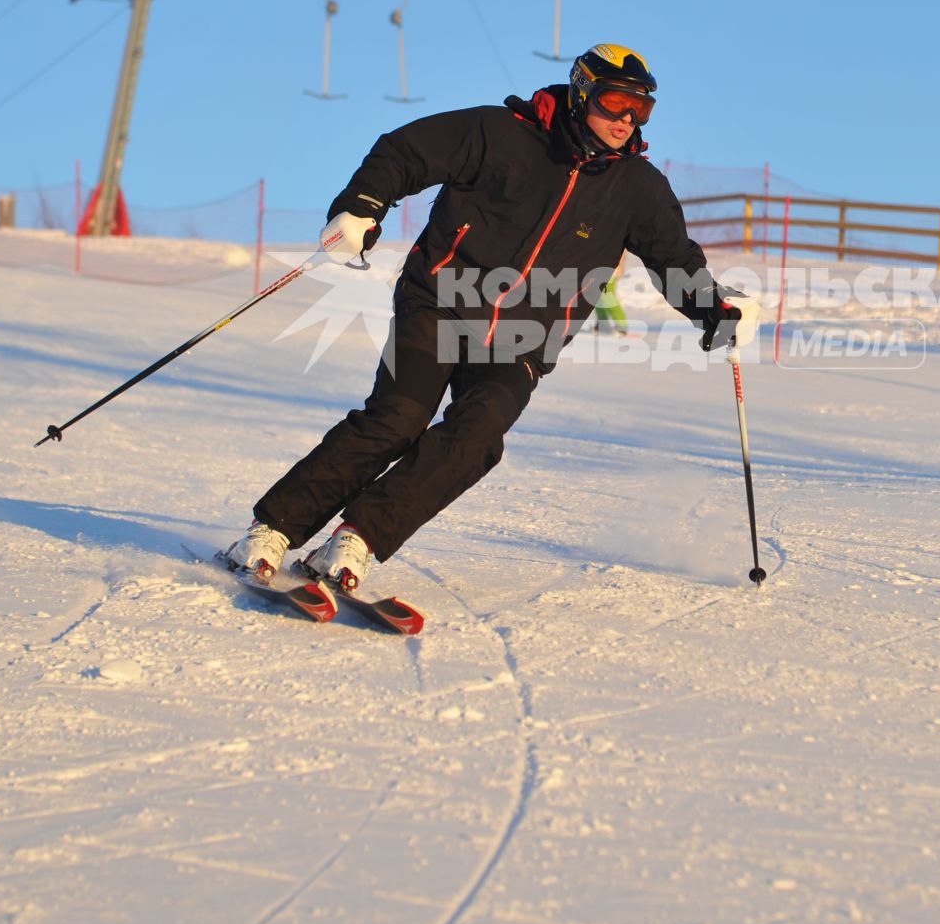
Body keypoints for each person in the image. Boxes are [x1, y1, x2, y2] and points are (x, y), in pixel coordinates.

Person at [225, 44, 760, 592]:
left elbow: (674, 260)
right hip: (440, 300)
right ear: (581, 94)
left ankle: (358, 538)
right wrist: (362, 205)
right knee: (397, 421)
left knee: (477, 434)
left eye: (641, 110)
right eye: (615, 102)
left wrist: (713, 309)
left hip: (525, 336)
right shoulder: (498, 132)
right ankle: (271, 530)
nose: (627, 120)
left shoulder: (638, 188)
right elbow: (404, 151)